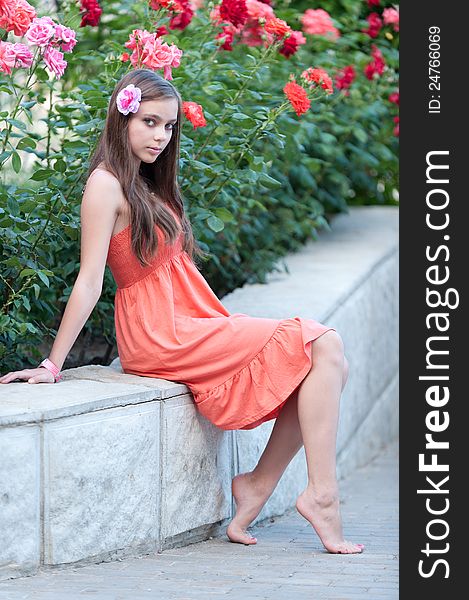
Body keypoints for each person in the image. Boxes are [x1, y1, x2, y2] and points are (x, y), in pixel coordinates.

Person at [0, 68, 364, 554]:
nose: (160, 136)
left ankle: (259, 486)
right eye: (149, 122)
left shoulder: (148, 180)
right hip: (160, 332)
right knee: (320, 343)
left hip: (191, 317)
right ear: (121, 116)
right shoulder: (105, 185)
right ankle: (322, 495)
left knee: (325, 360)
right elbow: (89, 280)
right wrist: (52, 364)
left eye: (169, 126)